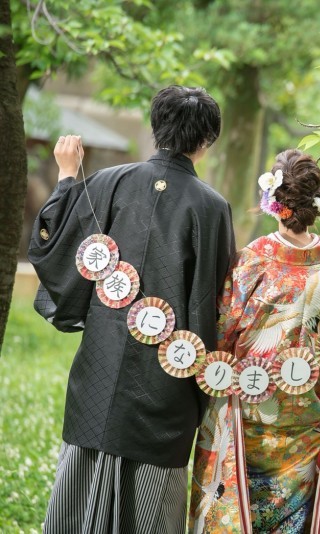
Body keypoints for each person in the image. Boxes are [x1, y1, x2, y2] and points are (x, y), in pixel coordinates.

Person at [28, 86, 236, 533]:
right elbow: (216, 301)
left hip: (100, 367)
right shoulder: (212, 208)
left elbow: (56, 249)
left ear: (157, 127)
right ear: (206, 142)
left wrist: (67, 178)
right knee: (152, 507)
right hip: (168, 376)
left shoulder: (106, 182)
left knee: (77, 499)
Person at [189, 149, 320, 533]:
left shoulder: (250, 263)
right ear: (316, 203)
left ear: (273, 204)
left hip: (246, 428)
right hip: (308, 437)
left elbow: (221, 340)